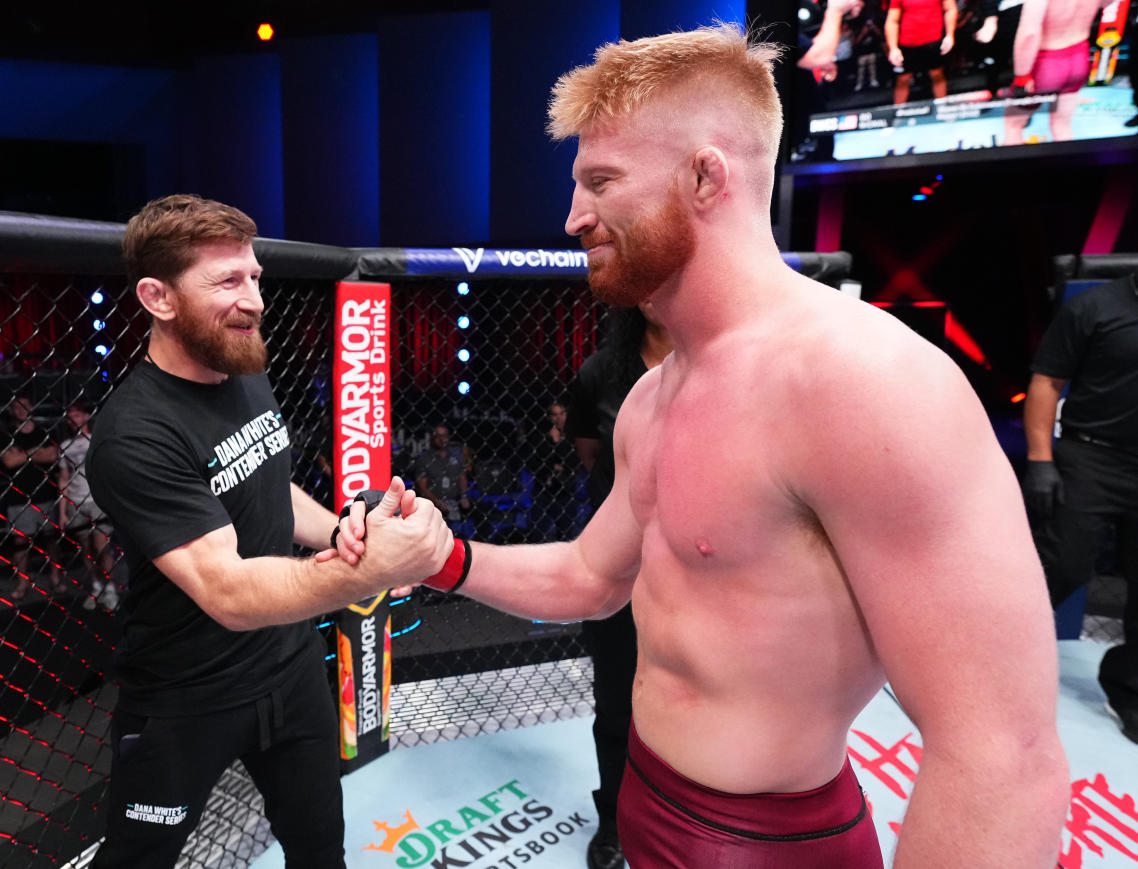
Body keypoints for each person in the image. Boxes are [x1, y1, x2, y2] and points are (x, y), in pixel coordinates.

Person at [392, 23, 1067, 867]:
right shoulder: (651, 395)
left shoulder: (867, 382)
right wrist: (438, 556)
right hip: (645, 800)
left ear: (705, 176)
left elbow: (1001, 754)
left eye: (601, 182)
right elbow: (592, 578)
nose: (573, 217)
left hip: (775, 842)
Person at [84, 194, 451, 869]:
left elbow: (267, 483)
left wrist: (347, 532)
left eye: (254, 277)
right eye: (227, 281)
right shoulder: (134, 433)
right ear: (158, 298)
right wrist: (368, 572)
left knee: (318, 845)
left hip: (287, 669)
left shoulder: (241, 370)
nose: (253, 298)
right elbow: (225, 587)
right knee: (138, 858)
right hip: (187, 693)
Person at [564, 303, 671, 869]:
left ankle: (684, 817)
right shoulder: (601, 372)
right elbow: (591, 457)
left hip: (704, 569)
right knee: (616, 703)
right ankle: (613, 821)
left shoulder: (721, 361)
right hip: (623, 565)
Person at [1023, 273, 1138, 744]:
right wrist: (1040, 461)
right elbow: (1048, 383)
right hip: (1090, 455)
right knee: (1061, 566)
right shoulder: (1094, 307)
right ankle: (973, 663)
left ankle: (1128, 692)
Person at [1003, 0, 1110, 145]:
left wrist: (1022, 76)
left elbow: (1029, 35)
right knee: (1062, 125)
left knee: (1013, 125)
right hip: (1079, 57)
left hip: (1047, 63)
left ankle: (1009, 167)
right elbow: (1106, 3)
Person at [0, 395, 62, 599]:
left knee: (52, 539)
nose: (21, 410)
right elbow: (8, 461)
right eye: (16, 407)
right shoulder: (5, 433)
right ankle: (23, 583)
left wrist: (23, 454)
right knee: (20, 543)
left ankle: (55, 577)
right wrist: (35, 452)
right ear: (11, 410)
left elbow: (53, 455)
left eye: (25, 405)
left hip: (46, 492)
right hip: (19, 495)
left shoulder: (44, 430)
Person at [57, 399, 118, 610]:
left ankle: (110, 588)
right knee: (86, 549)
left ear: (85, 417)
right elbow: (64, 478)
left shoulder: (96, 439)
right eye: (69, 416)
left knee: (102, 546)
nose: (72, 419)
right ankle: (96, 586)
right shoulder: (65, 446)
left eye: (75, 415)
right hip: (77, 501)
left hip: (97, 500)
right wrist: (63, 512)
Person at [886, 0, 957, 104]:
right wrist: (893, 48)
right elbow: (892, 21)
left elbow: (950, 9)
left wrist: (950, 35)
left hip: (933, 40)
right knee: (902, 79)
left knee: (937, 74)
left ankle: (943, 109)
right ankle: (898, 112)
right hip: (907, 43)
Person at [529, 402, 578, 542]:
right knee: (538, 534)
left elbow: (572, 462)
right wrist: (553, 464)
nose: (559, 418)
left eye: (562, 414)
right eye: (555, 415)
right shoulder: (541, 437)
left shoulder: (572, 436)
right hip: (544, 490)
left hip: (566, 490)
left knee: (567, 535)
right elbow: (536, 463)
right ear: (549, 417)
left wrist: (558, 442)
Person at [413, 424, 472, 526]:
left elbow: (462, 477)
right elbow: (422, 488)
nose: (441, 439)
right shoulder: (424, 459)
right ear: (433, 438)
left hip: (455, 503)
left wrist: (463, 496)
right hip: (433, 506)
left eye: (444, 435)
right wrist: (438, 503)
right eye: (438, 436)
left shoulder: (457, 455)